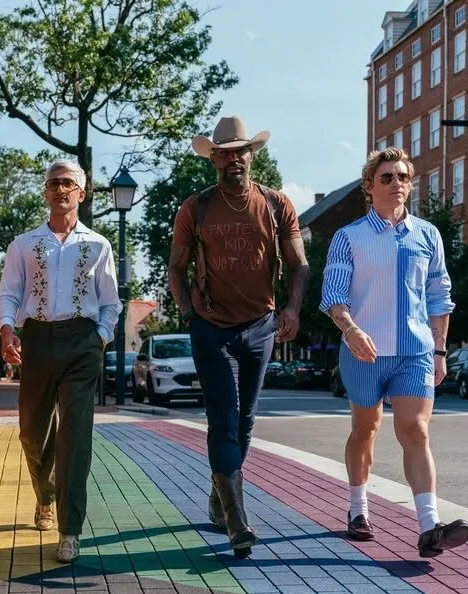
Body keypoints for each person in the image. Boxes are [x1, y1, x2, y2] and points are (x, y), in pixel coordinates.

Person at [167, 116, 310, 557]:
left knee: (245, 420)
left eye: (240, 151)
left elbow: (299, 263)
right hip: (211, 329)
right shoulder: (197, 207)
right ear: (213, 159)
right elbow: (176, 267)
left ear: (251, 155)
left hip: (260, 327)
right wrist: (191, 315)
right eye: (224, 152)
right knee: (223, 419)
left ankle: (219, 495)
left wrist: (291, 307)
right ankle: (237, 523)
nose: (234, 159)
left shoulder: (275, 204)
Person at [320, 147, 468, 557]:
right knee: (365, 430)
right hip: (364, 353)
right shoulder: (349, 237)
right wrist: (350, 331)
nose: (397, 184)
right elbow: (333, 295)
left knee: (415, 431)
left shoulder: (428, 235)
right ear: (369, 187)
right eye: (387, 177)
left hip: (414, 352)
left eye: (403, 177)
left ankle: (429, 526)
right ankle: (358, 509)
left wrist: (439, 351)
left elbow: (440, 296)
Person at [0, 159, 120, 563]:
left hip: (82, 342)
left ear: (81, 194)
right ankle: (44, 495)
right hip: (38, 342)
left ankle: (70, 529)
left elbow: (111, 302)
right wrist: (7, 329)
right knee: (32, 432)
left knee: (76, 437)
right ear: (45, 192)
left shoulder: (99, 245)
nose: (60, 189)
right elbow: (9, 294)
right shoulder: (24, 245)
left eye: (68, 183)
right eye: (53, 183)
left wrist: (99, 338)